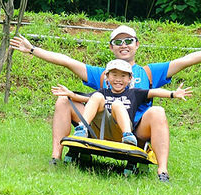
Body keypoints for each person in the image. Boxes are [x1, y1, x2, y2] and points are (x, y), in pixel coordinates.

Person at [10, 25, 201, 182]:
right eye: (118, 41)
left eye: (129, 40)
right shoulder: (103, 73)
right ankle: (56, 157)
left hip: (133, 132)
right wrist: (32, 50)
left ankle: (162, 171)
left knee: (158, 111)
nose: (124, 44)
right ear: (111, 47)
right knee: (64, 100)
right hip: (101, 126)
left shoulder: (150, 72)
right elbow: (67, 61)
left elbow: (187, 60)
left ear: (137, 45)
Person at [51, 59, 192, 148]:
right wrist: (71, 95)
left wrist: (173, 94)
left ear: (130, 78)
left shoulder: (134, 93)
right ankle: (83, 129)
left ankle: (128, 136)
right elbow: (88, 100)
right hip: (102, 131)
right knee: (97, 96)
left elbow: (154, 92)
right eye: (114, 75)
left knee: (117, 104)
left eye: (123, 76)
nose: (118, 79)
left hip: (123, 130)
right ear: (107, 77)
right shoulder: (102, 93)